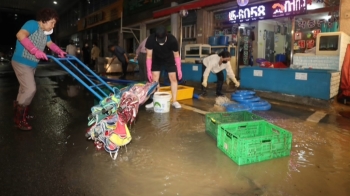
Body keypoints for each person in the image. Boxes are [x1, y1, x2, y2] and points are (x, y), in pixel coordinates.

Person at [12, 8, 66, 130]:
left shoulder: (44, 33)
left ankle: (21, 114)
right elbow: (20, 35)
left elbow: (50, 44)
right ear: (44, 20)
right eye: (52, 22)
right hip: (21, 61)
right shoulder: (32, 24)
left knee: (23, 90)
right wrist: (34, 50)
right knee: (30, 89)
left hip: (31, 64)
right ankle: (19, 119)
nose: (53, 25)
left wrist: (59, 51)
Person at [145, 26, 182, 109]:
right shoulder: (151, 39)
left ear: (166, 36)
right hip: (156, 58)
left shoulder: (172, 40)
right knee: (154, 80)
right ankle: (155, 101)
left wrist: (179, 69)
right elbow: (149, 56)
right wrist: (148, 70)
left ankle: (175, 101)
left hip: (169, 58)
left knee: (173, 78)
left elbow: (176, 55)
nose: (161, 43)